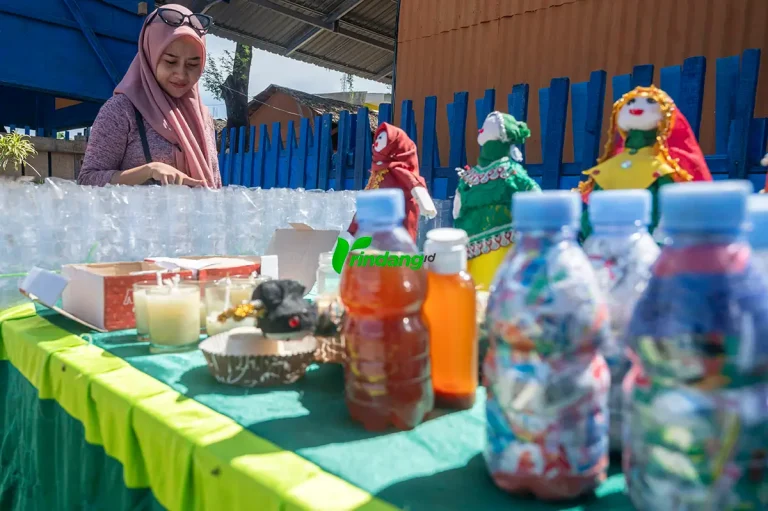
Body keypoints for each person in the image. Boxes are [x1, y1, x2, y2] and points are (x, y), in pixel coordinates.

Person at [78, 4, 221, 188]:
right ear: (150, 55)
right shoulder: (122, 111)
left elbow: (215, 184)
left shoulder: (203, 118)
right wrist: (148, 170)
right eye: (170, 61)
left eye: (192, 65)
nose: (181, 74)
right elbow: (87, 180)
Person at [347, 123, 437, 242]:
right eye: (377, 138)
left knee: (396, 242)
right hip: (373, 215)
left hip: (396, 215)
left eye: (381, 138)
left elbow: (413, 183)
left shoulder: (396, 169)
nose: (377, 142)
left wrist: (426, 203)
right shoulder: (377, 171)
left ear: (395, 143)